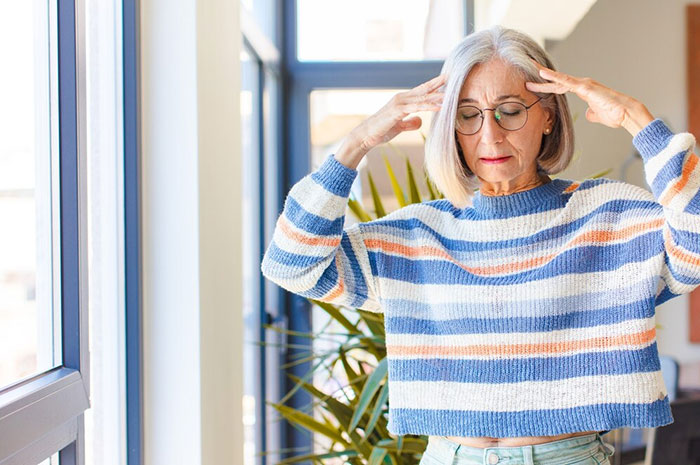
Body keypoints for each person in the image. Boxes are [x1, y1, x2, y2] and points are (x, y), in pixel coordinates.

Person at [261, 25, 700, 465]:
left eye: (510, 110)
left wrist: (637, 119)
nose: (488, 135)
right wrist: (359, 142)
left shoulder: (610, 217)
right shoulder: (417, 233)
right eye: (467, 114)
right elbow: (292, 264)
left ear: (548, 114)